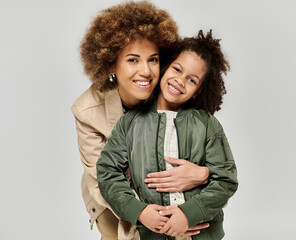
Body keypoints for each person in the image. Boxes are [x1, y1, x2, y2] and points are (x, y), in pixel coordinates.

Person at [72, 2, 210, 239]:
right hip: (111, 206)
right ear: (111, 63)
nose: (146, 71)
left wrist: (202, 175)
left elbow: (215, 163)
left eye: (153, 59)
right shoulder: (87, 111)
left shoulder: (173, 92)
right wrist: (143, 212)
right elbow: (100, 181)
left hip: (171, 201)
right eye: (133, 60)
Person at [97, 30, 239, 240]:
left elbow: (226, 179)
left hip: (201, 233)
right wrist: (140, 211)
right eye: (177, 69)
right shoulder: (130, 123)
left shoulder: (207, 124)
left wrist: (188, 214)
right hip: (151, 233)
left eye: (192, 80)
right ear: (165, 68)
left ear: (198, 90)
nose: (180, 81)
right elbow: (107, 172)